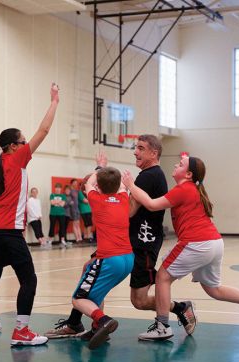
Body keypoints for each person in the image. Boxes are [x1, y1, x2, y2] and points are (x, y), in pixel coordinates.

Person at [45, 138, 196, 339]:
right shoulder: (145, 176)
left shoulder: (149, 177)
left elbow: (128, 211)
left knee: (139, 301)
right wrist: (104, 180)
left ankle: (180, 307)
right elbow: (122, 197)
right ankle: (83, 323)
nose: (135, 152)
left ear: (154, 153)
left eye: (141, 148)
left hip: (142, 243)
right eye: (135, 147)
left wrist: (100, 195)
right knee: (91, 269)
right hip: (125, 241)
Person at [122, 156, 239, 341]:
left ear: (189, 174)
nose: (176, 165)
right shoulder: (194, 190)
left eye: (181, 165)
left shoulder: (183, 189)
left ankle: (162, 327)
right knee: (214, 289)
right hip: (215, 242)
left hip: (196, 242)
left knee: (162, 277)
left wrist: (130, 185)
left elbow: (151, 205)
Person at [0, 83, 59, 346]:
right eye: (23, 142)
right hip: (8, 231)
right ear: (13, 147)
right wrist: (54, 102)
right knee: (28, 279)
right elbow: (45, 129)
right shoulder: (16, 160)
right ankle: (21, 331)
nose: (27, 144)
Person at [72, 167, 134, 349]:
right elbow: (120, 185)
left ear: (98, 185)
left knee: (78, 299)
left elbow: (89, 183)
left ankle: (103, 320)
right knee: (97, 293)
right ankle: (96, 328)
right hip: (128, 259)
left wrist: (99, 169)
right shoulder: (123, 198)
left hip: (110, 259)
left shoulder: (96, 200)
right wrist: (105, 170)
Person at [48, 183, 67, 248]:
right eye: (56, 188)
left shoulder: (63, 196)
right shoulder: (52, 195)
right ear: (55, 188)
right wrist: (59, 201)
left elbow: (62, 205)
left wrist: (56, 201)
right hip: (53, 213)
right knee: (52, 226)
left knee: (62, 227)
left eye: (59, 188)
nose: (58, 189)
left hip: (61, 214)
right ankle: (50, 240)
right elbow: (52, 203)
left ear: (60, 189)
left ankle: (62, 240)